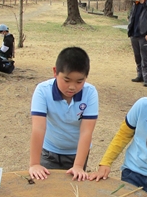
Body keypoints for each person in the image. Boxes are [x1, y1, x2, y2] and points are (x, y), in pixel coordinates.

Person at [29, 47, 98, 181]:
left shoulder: (90, 93)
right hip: (49, 152)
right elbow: (38, 128)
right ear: (55, 72)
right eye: (66, 80)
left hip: (76, 154)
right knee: (46, 191)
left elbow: (86, 131)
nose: (72, 87)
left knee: (72, 194)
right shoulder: (43, 91)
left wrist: (78, 165)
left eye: (79, 81)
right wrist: (34, 164)